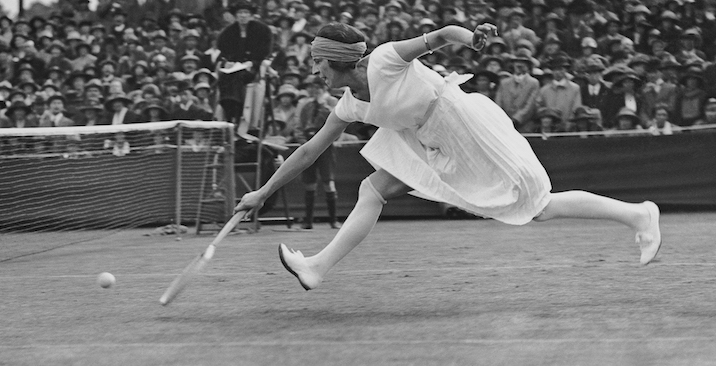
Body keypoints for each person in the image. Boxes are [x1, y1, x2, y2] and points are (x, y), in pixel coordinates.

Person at [234, 23, 662, 292]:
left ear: (339, 60)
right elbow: (309, 151)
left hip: (459, 120)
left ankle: (640, 215)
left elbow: (439, 36)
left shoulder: (385, 60)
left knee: (539, 207)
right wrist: (263, 191)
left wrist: (471, 37)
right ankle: (316, 268)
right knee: (372, 188)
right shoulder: (348, 106)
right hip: (422, 136)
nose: (315, 72)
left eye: (318, 63)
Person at [293, 76, 340, 229]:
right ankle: (308, 221)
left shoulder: (332, 102)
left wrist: (323, 105)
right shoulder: (306, 105)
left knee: (328, 181)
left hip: (326, 146)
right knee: (309, 182)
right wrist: (304, 144)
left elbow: (337, 123)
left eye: (317, 87)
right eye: (311, 87)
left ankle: (333, 220)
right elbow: (299, 126)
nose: (313, 90)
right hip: (309, 144)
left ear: (323, 88)